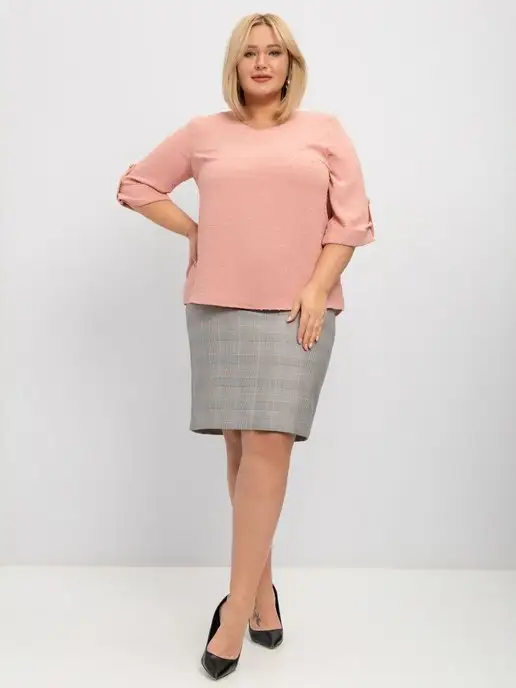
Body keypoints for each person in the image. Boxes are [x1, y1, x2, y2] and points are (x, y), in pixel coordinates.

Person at [117, 11, 375, 681]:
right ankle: (262, 597)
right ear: (235, 65)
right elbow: (136, 185)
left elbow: (352, 221)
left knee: (267, 443)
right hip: (219, 307)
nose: (262, 62)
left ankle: (233, 613)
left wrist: (317, 287)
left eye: (274, 52)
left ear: (291, 65)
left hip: (296, 309)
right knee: (239, 447)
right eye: (250, 52)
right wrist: (194, 229)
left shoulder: (325, 132)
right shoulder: (204, 133)